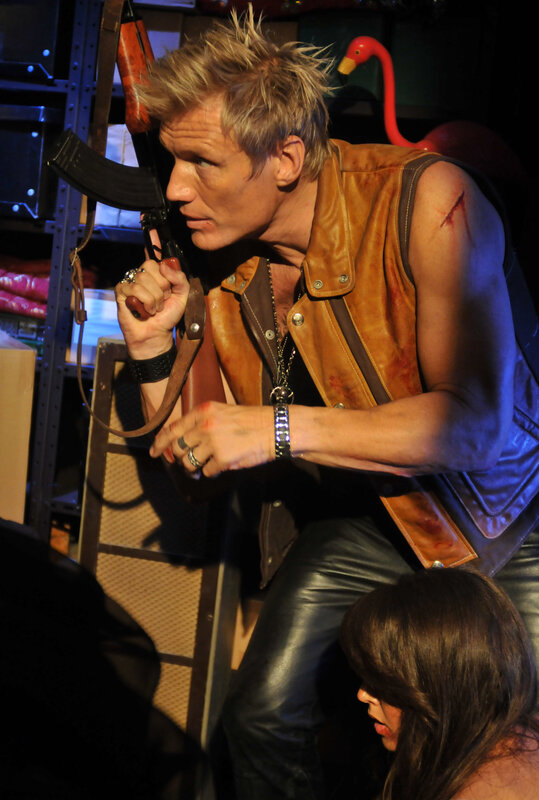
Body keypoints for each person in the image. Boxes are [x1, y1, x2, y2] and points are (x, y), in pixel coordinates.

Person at [114, 7, 539, 798]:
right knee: (260, 714)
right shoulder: (222, 264)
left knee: (508, 750)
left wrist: (275, 429)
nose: (176, 188)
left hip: (512, 516)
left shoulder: (426, 200)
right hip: (375, 515)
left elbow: (476, 426)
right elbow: (198, 469)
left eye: (202, 162)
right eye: (173, 161)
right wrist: (151, 348)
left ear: (284, 157)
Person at [340, 567, 539, 800]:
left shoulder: (482, 791)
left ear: (443, 682)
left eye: (382, 682)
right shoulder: (515, 735)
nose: (363, 694)